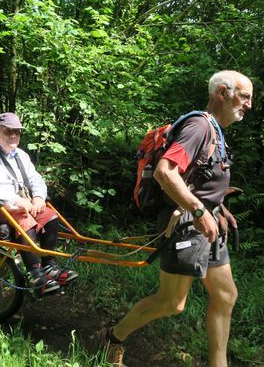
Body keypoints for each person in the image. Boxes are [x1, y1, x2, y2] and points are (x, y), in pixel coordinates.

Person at [100, 70, 253, 366]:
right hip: (187, 225)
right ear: (222, 93)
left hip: (209, 225)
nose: (248, 104)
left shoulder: (216, 131)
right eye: (244, 96)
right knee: (171, 303)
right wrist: (198, 210)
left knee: (225, 296)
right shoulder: (199, 127)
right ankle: (113, 338)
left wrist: (215, 205)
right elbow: (165, 172)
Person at [0, 112, 78, 295]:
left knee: (50, 215)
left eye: (17, 132)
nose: (13, 136)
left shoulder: (20, 155)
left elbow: (36, 179)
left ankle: (50, 266)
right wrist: (14, 199)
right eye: (8, 131)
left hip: (15, 204)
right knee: (21, 215)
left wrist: (39, 197)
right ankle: (34, 275)